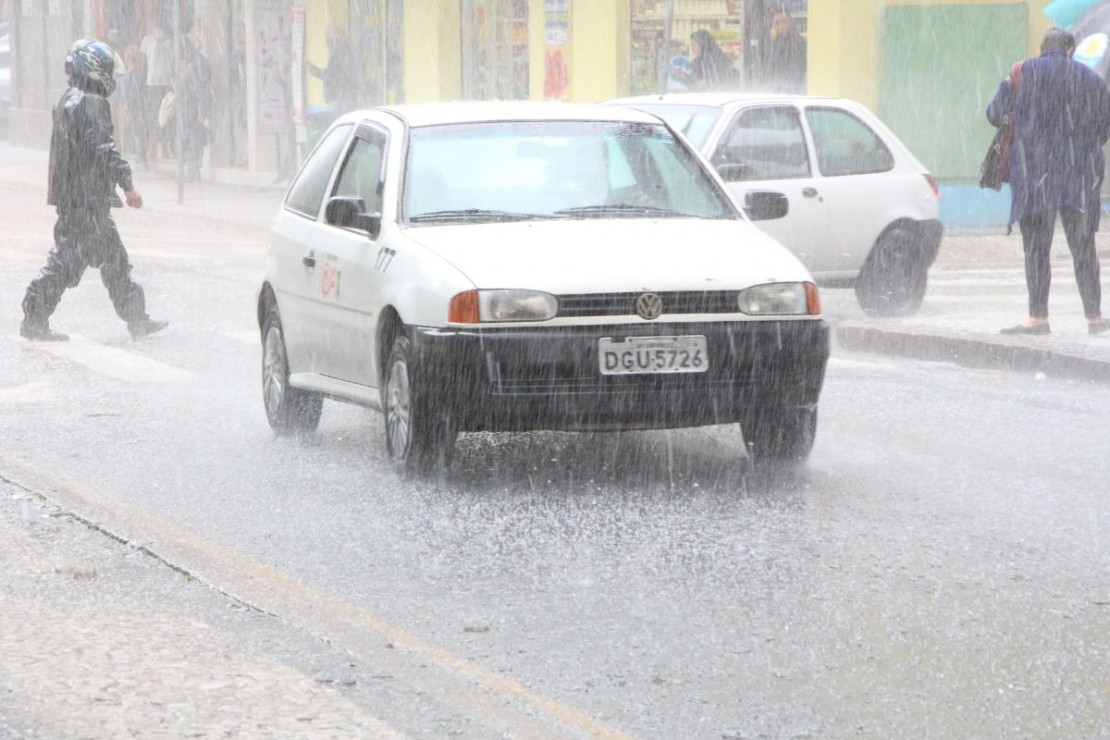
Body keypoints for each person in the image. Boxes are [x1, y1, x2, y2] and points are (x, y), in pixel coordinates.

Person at [19, 39, 167, 342]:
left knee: (113, 260)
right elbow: (102, 148)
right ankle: (34, 315)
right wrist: (128, 184)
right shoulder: (91, 102)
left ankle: (137, 319)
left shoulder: (68, 100)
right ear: (95, 68)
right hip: (87, 202)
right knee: (68, 263)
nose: (112, 79)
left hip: (77, 199)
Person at [987, 27, 1110, 336]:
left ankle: (1038, 317)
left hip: (1033, 174)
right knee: (1083, 247)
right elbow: (1104, 127)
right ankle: (1095, 318)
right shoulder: (1091, 80)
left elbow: (993, 114)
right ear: (1070, 49)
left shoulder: (1020, 74)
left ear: (1042, 48)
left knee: (1037, 248)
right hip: (1077, 174)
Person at [177, 37, 212, 182]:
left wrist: (201, 110)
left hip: (192, 107)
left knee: (194, 138)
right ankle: (192, 170)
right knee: (189, 138)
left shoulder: (195, 63)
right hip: (188, 107)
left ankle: (193, 171)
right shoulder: (191, 62)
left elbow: (200, 88)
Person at [307, 27, 360, 116]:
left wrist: (313, 70)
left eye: (329, 41)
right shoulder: (344, 53)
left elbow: (330, 76)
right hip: (342, 98)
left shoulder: (341, 54)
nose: (326, 45)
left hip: (340, 99)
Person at [766, 10, 806, 93]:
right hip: (775, 89)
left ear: (791, 23)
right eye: (777, 23)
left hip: (795, 88)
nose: (781, 26)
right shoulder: (769, 44)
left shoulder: (800, 43)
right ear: (772, 26)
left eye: (784, 22)